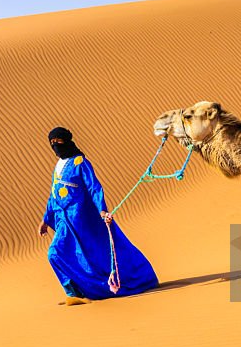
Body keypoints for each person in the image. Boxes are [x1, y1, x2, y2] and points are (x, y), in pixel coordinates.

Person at [39, 127, 159, 305]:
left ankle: (85, 291)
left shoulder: (80, 162)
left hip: (82, 219)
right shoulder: (58, 166)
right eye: (52, 143)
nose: (55, 145)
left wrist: (102, 209)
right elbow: (53, 194)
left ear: (67, 141)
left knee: (94, 254)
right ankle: (74, 291)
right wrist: (45, 219)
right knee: (55, 254)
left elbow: (94, 187)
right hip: (64, 221)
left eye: (58, 141)